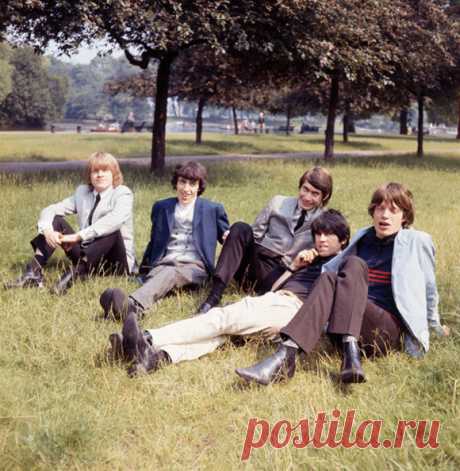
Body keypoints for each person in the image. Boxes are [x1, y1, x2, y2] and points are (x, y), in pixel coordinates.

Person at [235, 182, 449, 386]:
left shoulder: (417, 241)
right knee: (330, 276)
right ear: (372, 211)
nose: (385, 215)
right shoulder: (363, 238)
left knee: (354, 264)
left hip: (383, 331)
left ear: (404, 217)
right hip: (347, 327)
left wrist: (434, 327)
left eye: (393, 210)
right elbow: (329, 271)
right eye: (380, 208)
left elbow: (429, 289)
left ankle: (348, 350)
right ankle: (286, 356)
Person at [108, 210, 350, 376]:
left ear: (344, 240)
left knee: (220, 318)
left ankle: (148, 339)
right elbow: (274, 289)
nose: (321, 239)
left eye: (329, 235)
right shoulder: (312, 260)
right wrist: (294, 266)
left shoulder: (343, 266)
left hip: (291, 310)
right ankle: (156, 358)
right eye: (318, 234)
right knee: (223, 336)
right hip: (275, 303)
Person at [99, 161, 230, 320]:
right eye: (182, 182)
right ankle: (120, 311)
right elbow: (154, 241)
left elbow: (226, 237)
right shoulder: (162, 207)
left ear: (199, 186)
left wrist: (227, 235)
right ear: (176, 183)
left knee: (171, 274)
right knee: (160, 279)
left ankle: (132, 305)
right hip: (165, 262)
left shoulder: (213, 209)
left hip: (195, 266)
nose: (186, 189)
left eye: (192, 184)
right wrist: (144, 268)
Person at [197, 166, 333, 314]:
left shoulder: (325, 220)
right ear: (300, 187)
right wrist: (234, 238)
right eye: (305, 189)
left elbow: (327, 250)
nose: (307, 197)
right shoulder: (277, 202)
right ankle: (214, 296)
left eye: (315, 194)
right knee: (240, 228)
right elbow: (254, 234)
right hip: (257, 263)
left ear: (324, 197)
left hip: (284, 274)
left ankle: (251, 303)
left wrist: (312, 253)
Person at [6, 152, 135, 294]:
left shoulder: (123, 193)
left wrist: (77, 237)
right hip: (86, 256)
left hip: (116, 264)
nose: (100, 175)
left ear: (114, 174)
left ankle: (71, 277)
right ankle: (33, 273)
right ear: (89, 176)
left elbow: (114, 220)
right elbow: (52, 209)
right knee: (55, 220)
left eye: (105, 170)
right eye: (95, 171)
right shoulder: (83, 192)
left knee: (111, 230)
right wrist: (48, 230)